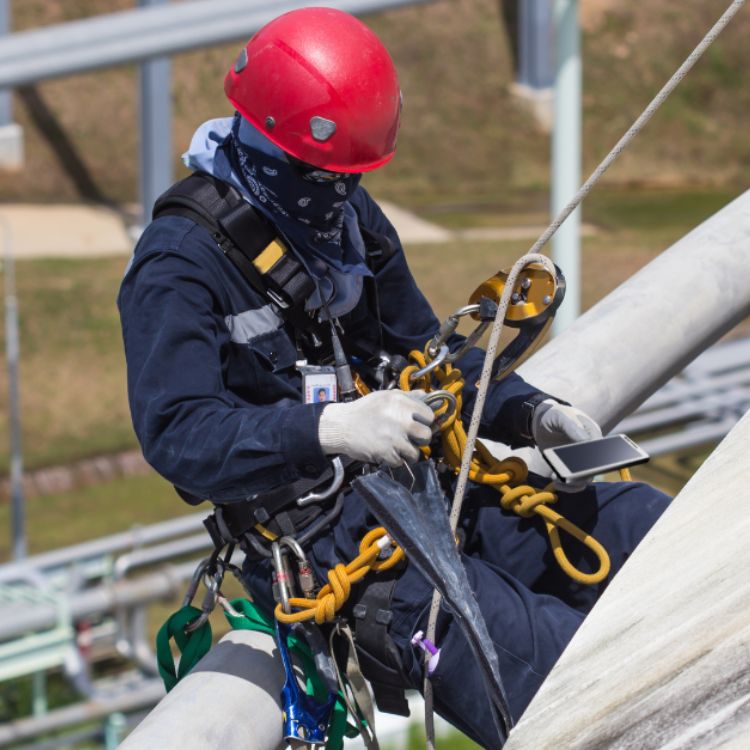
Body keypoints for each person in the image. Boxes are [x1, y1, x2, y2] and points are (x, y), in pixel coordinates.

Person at [117, 8, 670, 747]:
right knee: (563, 667)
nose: (340, 195)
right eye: (328, 177)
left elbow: (424, 352)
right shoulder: (180, 268)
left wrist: (528, 414)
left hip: (432, 494)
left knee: (648, 533)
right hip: (338, 554)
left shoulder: (340, 218)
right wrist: (329, 429)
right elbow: (178, 433)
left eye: (350, 179)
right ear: (276, 147)